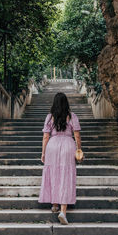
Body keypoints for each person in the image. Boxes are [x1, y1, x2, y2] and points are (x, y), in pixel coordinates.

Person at [38, 92, 82, 225]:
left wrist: (43, 152)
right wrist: (78, 149)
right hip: (68, 145)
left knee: (54, 173)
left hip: (52, 146)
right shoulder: (72, 116)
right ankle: (63, 211)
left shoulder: (49, 117)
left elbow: (46, 136)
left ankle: (54, 204)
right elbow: (77, 136)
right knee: (66, 175)